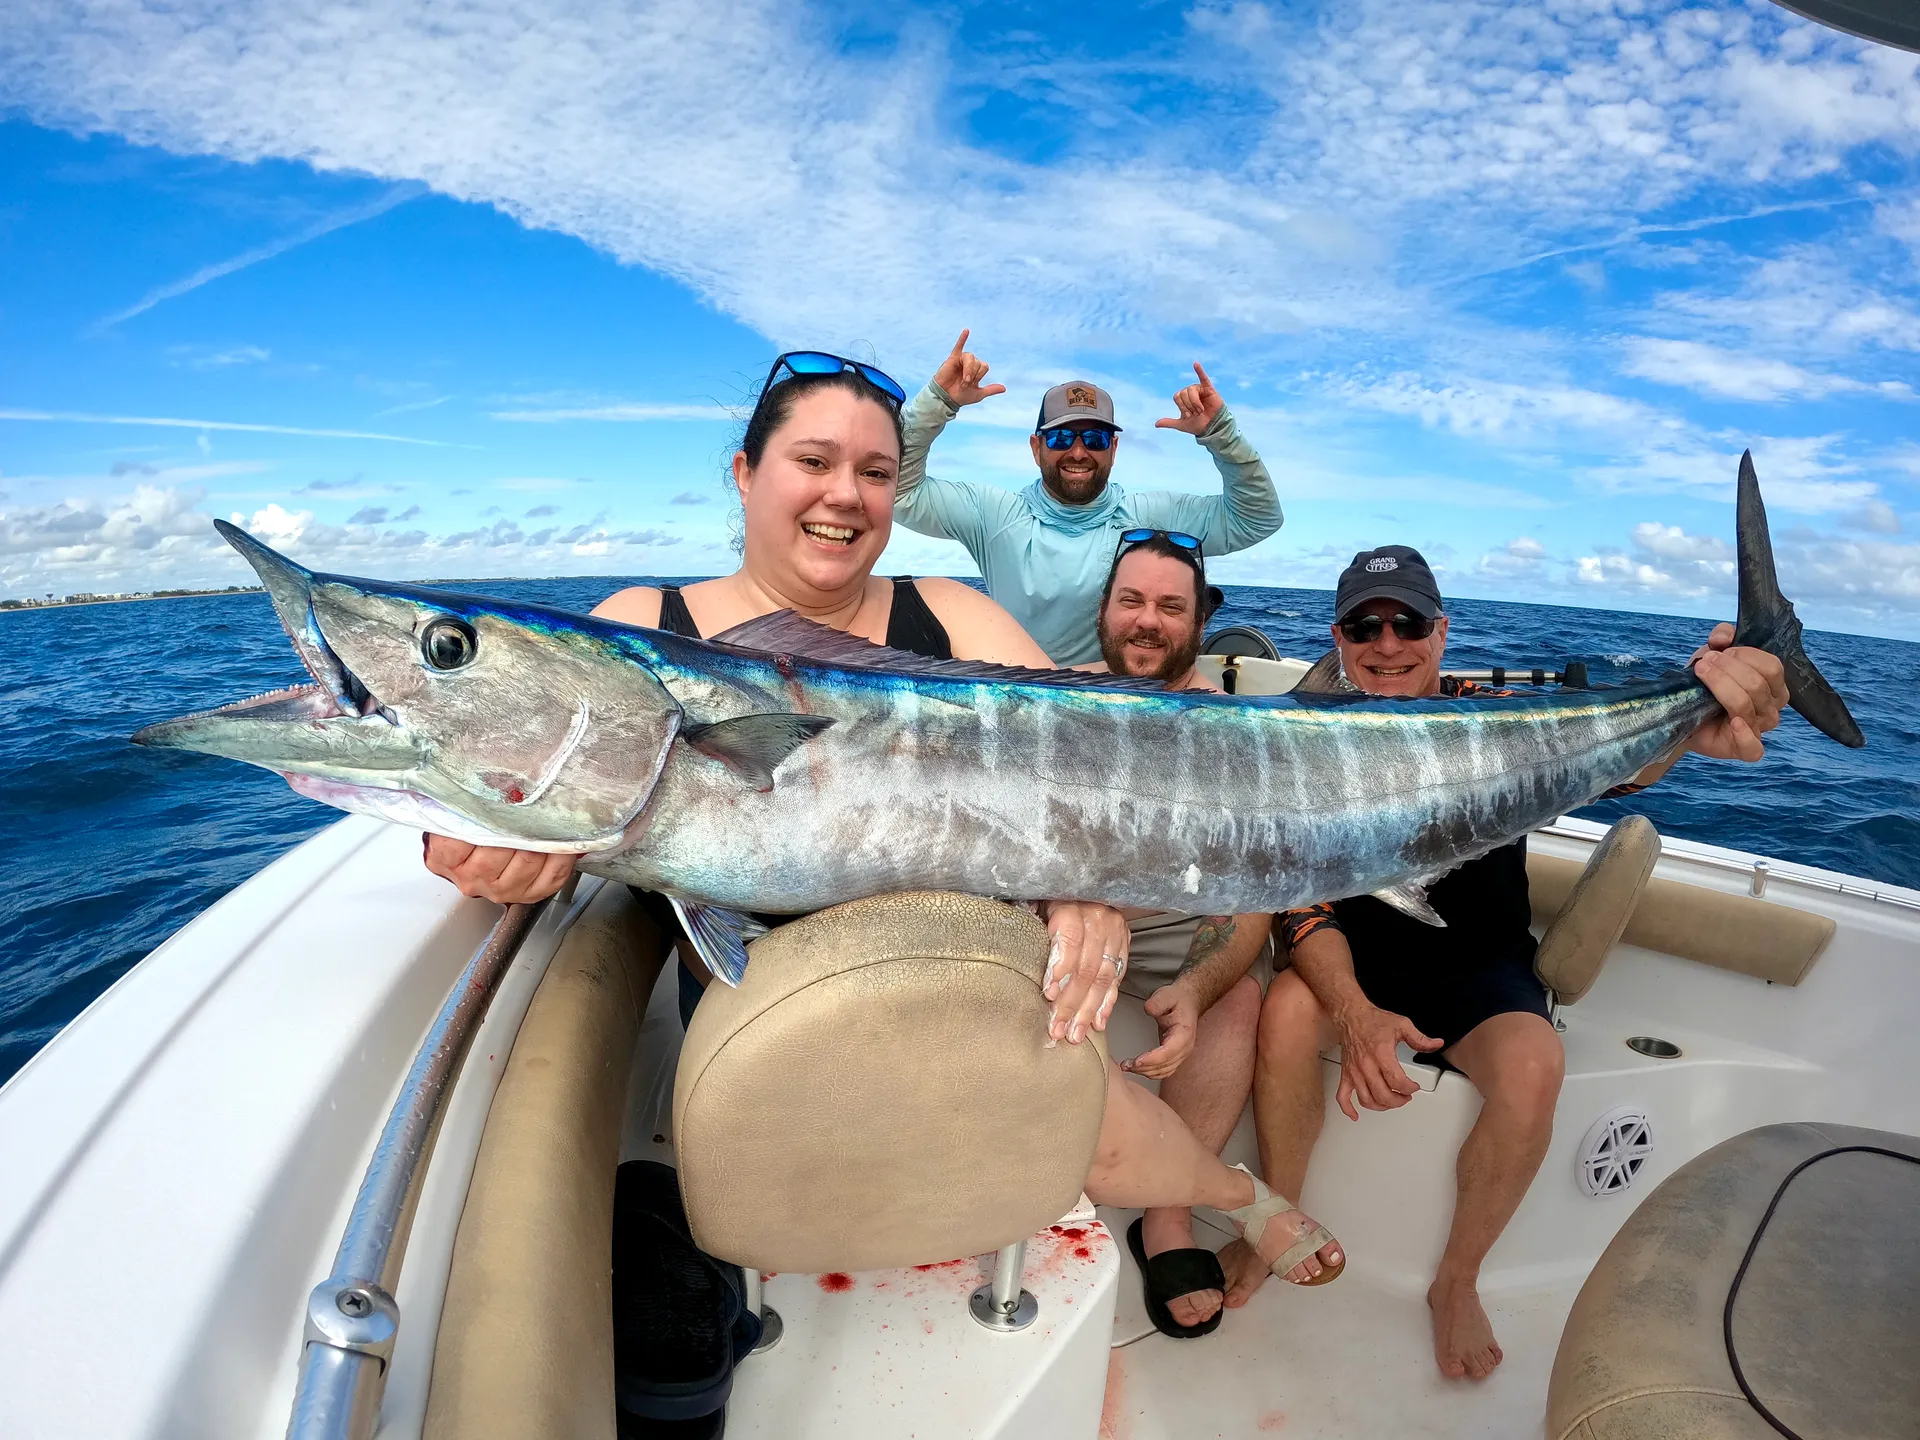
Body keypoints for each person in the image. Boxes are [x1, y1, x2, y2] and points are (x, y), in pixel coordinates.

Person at [421, 350, 1342, 1266]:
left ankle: (1234, 1195)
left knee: (1075, 1101)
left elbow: (1089, 760)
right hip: (769, 1016)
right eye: (813, 462)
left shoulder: (949, 616)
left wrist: (1084, 883)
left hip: (970, 979)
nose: (846, 495)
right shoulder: (643, 624)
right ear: (746, 475)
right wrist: (479, 843)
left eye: (875, 472)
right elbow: (516, 759)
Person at [1224, 544, 1792, 1380]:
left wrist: (1699, 706)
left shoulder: (1504, 719)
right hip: (1350, 949)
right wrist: (1354, 1010)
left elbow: (1627, 768)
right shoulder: (1303, 740)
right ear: (1337, 638)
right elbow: (1299, 905)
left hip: (1477, 961)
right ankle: (1284, 1218)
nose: (1388, 643)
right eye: (1364, 626)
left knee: (1534, 1064)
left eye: (1408, 623)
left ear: (1442, 632)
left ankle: (1456, 1280)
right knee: (1283, 1012)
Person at [1083, 530, 1339, 1337]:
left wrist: (1193, 989)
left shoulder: (1243, 734)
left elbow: (1250, 900)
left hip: (1180, 927)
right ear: (1104, 609)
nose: (1147, 622)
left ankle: (1166, 1214)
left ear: (1201, 620)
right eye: (1132, 601)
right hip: (1063, 917)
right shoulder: (1053, 699)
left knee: (1237, 1001)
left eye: (1169, 606)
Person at [890, 330, 1283, 664]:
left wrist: (1221, 434)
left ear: (1112, 449)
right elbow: (897, 490)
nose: (1078, 452)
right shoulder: (993, 514)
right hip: (1015, 701)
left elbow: (1256, 518)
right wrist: (938, 402)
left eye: (1093, 439)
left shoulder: (1153, 516)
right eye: (1061, 437)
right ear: (1036, 447)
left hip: (1116, 706)